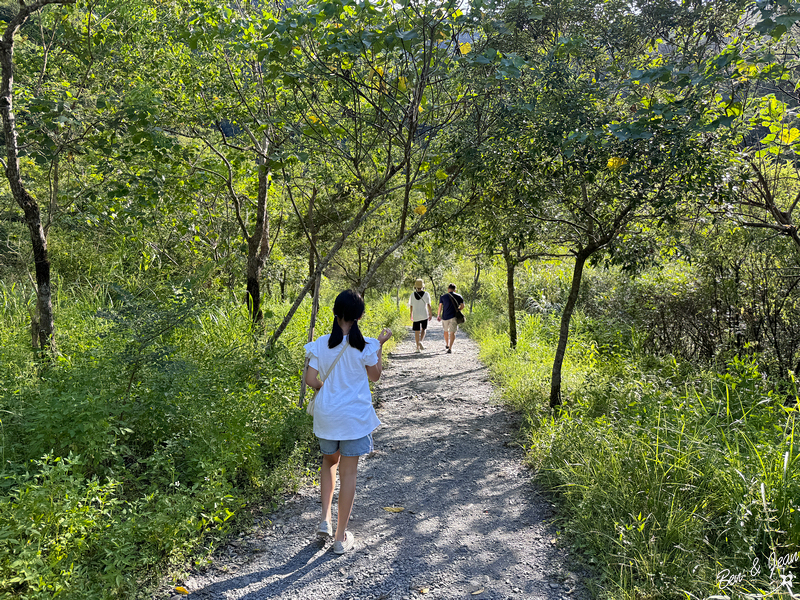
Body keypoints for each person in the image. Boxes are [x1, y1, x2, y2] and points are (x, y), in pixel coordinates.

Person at [304, 289, 392, 555]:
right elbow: (375, 377)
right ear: (359, 316)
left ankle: (324, 520)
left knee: (329, 463)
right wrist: (379, 346)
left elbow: (310, 380)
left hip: (328, 415)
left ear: (335, 313)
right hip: (353, 417)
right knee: (349, 473)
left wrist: (325, 390)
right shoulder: (366, 345)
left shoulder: (320, 343)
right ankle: (340, 538)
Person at [437, 283, 464, 354]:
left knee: (446, 331)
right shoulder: (459, 296)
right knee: (453, 332)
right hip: (454, 316)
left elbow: (440, 306)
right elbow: (462, 306)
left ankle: (447, 344)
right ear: (455, 290)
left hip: (445, 316)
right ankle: (450, 348)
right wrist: (458, 309)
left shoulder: (443, 296)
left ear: (448, 289)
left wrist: (438, 315)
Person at [407, 278, 433, 353]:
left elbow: (411, 306)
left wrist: (411, 314)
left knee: (416, 331)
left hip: (416, 315)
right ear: (422, 286)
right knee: (424, 329)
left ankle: (417, 348)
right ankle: (421, 341)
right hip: (424, 314)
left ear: (416, 287)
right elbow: (429, 305)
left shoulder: (412, 295)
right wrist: (430, 314)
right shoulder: (426, 294)